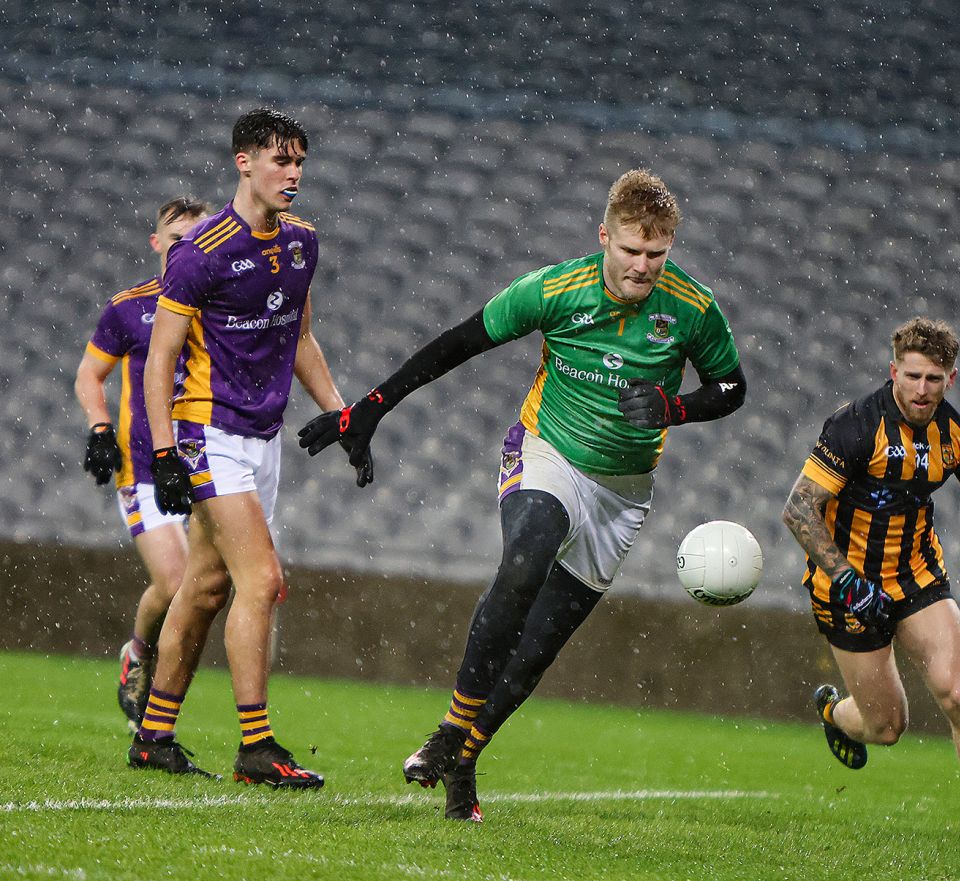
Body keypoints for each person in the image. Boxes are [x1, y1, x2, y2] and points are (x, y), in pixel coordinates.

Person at [300, 169, 747, 821]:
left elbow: (733, 389)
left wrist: (675, 407)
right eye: (631, 250)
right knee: (524, 557)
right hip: (547, 453)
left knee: (537, 650)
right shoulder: (555, 290)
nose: (643, 265)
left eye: (657, 252)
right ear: (604, 237)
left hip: (621, 496)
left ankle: (465, 763)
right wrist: (372, 406)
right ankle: (451, 731)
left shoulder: (692, 308)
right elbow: (458, 343)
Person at [129, 107, 372, 786]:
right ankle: (256, 749)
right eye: (280, 161)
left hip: (261, 439)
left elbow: (300, 340)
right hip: (209, 433)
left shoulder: (302, 244)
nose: (293, 174)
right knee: (261, 582)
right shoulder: (200, 251)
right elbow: (160, 360)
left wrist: (342, 416)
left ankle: (153, 737)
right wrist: (162, 454)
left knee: (206, 586)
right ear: (244, 163)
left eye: (299, 162)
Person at [781, 316, 960, 851]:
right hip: (844, 587)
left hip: (918, 578)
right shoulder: (853, 426)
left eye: (934, 380)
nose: (922, 390)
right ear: (893, 370)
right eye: (913, 377)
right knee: (887, 727)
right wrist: (847, 578)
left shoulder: (958, 435)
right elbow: (799, 508)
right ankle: (835, 712)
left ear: (952, 379)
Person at [75, 196, 210, 730]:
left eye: (196, 240)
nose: (186, 249)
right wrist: (100, 428)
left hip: (205, 462)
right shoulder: (130, 307)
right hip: (144, 468)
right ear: (157, 245)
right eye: (177, 239)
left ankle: (164, 710)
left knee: (210, 586)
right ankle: (139, 653)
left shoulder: (217, 308)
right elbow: (90, 374)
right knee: (177, 581)